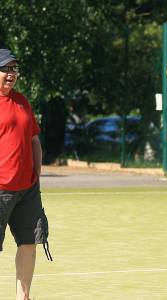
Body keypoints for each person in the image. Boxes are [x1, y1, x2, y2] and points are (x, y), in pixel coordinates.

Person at [0, 48, 52, 300]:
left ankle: (24, 297)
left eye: (13, 69)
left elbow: (33, 138)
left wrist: (37, 172)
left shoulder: (21, 101)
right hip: (1, 188)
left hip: (27, 188)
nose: (11, 74)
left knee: (29, 242)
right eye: (5, 69)